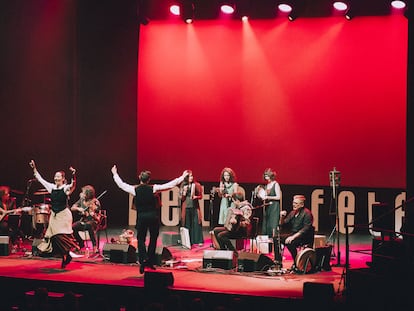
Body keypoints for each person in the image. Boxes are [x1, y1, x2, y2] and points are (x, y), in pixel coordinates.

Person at [111, 165, 189, 274]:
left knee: (141, 239)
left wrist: (115, 174)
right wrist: (182, 177)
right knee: (153, 239)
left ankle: (143, 260)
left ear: (140, 178)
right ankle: (150, 261)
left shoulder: (135, 189)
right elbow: (170, 185)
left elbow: (121, 185)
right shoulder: (154, 188)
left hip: (142, 217)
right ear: (149, 180)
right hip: (153, 217)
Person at [29, 160, 79, 269]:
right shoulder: (51, 187)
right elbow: (40, 179)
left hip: (63, 215)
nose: (56, 178)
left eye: (58, 177)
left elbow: (73, 185)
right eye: (55, 177)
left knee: (60, 235)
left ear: (62, 178)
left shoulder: (65, 188)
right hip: (54, 215)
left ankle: (67, 253)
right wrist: (34, 168)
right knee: (53, 236)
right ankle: (65, 256)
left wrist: (74, 175)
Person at [275, 194, 314, 270]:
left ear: (302, 204)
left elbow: (306, 229)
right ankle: (278, 262)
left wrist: (293, 237)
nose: (294, 205)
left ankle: (296, 261)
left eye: (296, 203)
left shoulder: (307, 213)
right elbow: (283, 224)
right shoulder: (293, 213)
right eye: (293, 203)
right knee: (276, 238)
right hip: (294, 234)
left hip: (304, 236)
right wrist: (282, 217)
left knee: (290, 242)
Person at [211, 190, 252, 255]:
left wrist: (238, 223)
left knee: (221, 235)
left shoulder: (246, 208)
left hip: (240, 231)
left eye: (234, 201)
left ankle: (234, 252)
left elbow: (247, 223)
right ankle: (223, 250)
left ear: (237, 201)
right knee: (216, 230)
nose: (234, 202)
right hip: (234, 229)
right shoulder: (237, 207)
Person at [258, 168, 282, 263]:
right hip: (268, 207)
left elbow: (278, 197)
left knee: (273, 228)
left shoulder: (276, 184)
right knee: (266, 228)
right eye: (265, 176)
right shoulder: (267, 185)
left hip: (274, 207)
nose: (266, 177)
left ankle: (277, 253)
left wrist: (268, 197)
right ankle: (268, 252)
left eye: (267, 175)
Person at [71, 185, 101, 254]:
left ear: (88, 194)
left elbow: (98, 217)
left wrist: (92, 213)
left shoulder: (95, 202)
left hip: (93, 221)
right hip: (84, 221)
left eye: (84, 193)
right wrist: (79, 208)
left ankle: (94, 246)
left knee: (89, 225)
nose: (82, 194)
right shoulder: (82, 200)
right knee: (73, 227)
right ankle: (81, 243)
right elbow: (72, 207)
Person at [179, 170, 204, 247]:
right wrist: (184, 192)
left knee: (196, 223)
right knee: (187, 224)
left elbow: (200, 196)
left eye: (192, 176)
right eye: (189, 176)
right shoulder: (183, 185)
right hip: (186, 207)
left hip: (194, 206)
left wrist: (196, 197)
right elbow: (181, 198)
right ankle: (187, 241)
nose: (191, 177)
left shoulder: (196, 185)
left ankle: (198, 240)